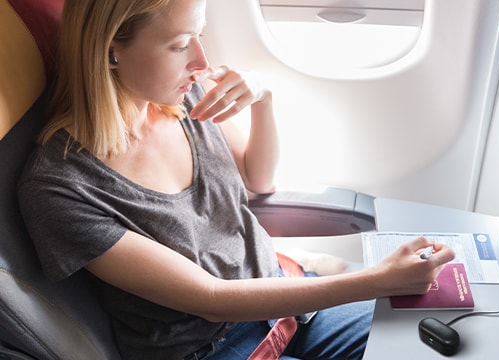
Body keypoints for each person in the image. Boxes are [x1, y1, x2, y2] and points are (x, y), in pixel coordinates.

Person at [16, 0, 455, 359]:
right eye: (180, 44)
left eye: (200, 36)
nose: (201, 61)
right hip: (211, 346)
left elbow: (258, 180)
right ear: (112, 48)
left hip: (284, 296)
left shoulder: (186, 95)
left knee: (427, 346)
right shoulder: (60, 186)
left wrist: (264, 97)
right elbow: (208, 296)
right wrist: (380, 279)